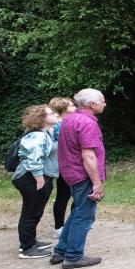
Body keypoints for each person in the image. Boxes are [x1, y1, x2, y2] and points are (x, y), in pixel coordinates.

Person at [53, 88, 106, 269]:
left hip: (71, 173)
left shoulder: (69, 119)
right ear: (92, 104)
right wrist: (97, 182)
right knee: (84, 215)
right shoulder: (87, 123)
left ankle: (60, 251)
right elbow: (88, 156)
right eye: (102, 101)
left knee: (77, 212)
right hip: (83, 175)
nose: (104, 104)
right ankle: (74, 256)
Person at [11, 104, 59, 258]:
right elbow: (33, 158)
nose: (55, 115)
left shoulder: (44, 133)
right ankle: (27, 248)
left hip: (35, 177)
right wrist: (39, 179)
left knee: (33, 211)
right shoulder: (38, 136)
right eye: (51, 113)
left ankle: (29, 241)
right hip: (31, 178)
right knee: (31, 212)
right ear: (42, 119)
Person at [47, 96, 76, 240]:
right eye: (71, 106)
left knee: (65, 195)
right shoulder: (60, 125)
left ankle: (63, 226)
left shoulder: (61, 123)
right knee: (64, 196)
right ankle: (59, 228)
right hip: (65, 166)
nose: (75, 108)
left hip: (64, 165)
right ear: (62, 109)